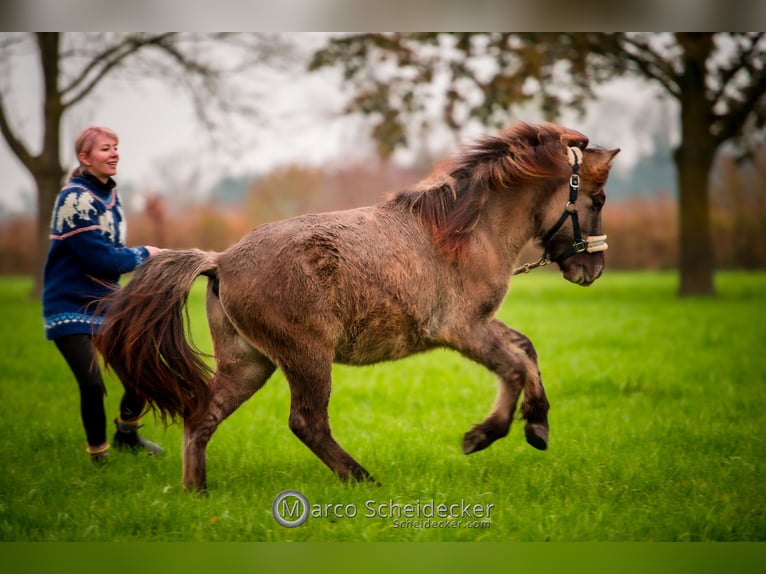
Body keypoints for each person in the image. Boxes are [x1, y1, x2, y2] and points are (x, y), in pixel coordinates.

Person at [42, 126, 164, 464]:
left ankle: (127, 434)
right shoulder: (75, 199)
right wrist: (146, 254)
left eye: (115, 147)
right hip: (68, 305)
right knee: (93, 384)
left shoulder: (110, 197)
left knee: (142, 374)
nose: (114, 154)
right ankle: (99, 458)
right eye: (104, 149)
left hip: (106, 302)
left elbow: (111, 253)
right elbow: (99, 257)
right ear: (84, 158)